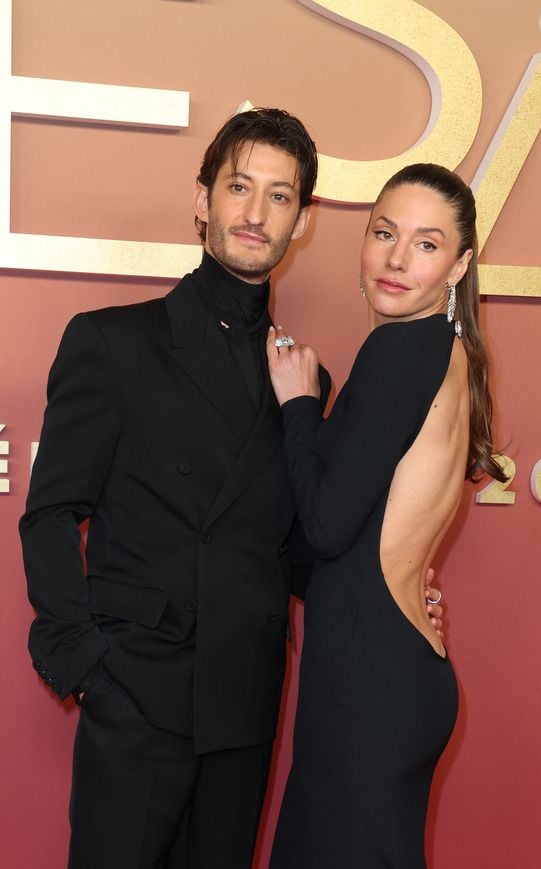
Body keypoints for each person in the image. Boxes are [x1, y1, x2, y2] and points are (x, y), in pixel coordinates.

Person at [19, 110, 444, 869]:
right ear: (202, 199)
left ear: (301, 222)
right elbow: (50, 513)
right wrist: (84, 665)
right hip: (137, 697)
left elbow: (299, 546)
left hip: (244, 706)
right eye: (239, 187)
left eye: (280, 196)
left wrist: (393, 591)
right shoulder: (113, 342)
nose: (256, 213)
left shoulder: (304, 381)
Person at [266, 163, 506, 869]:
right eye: (384, 233)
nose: (398, 259)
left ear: (458, 266)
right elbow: (351, 546)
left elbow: (325, 527)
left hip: (367, 681)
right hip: (391, 668)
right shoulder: (448, 354)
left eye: (426, 244)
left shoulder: (400, 350)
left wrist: (298, 404)